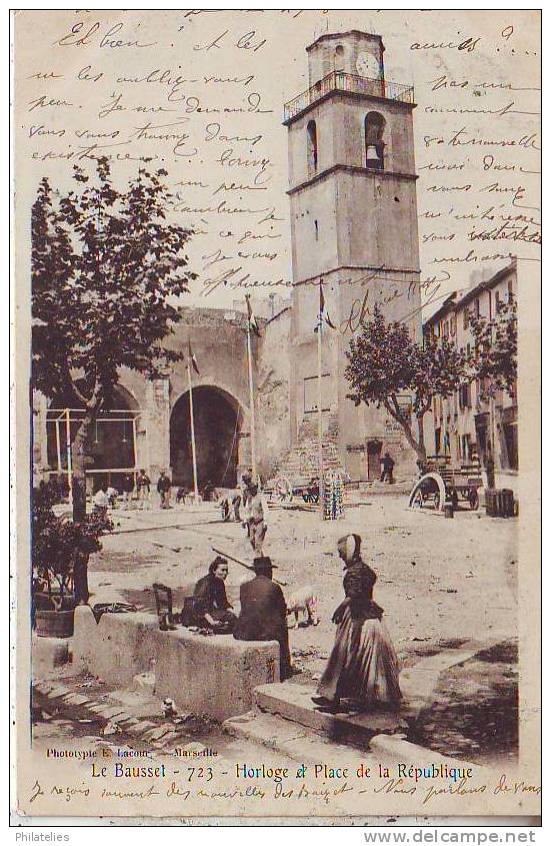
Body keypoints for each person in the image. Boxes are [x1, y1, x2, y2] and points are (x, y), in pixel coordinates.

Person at [312, 534, 401, 713]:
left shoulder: (354, 572)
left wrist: (339, 608)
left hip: (357, 619)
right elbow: (371, 579)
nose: (339, 555)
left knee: (344, 656)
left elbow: (353, 595)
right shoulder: (364, 569)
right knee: (367, 662)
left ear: (349, 551)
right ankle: (359, 697)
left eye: (341, 552)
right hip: (371, 618)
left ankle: (336, 697)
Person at [233, 557, 292, 681]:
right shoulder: (274, 587)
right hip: (265, 634)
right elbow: (282, 610)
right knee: (283, 625)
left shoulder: (244, 587)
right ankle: (285, 668)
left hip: (244, 632)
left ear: (256, 571)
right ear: (269, 571)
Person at [191, 557, 236, 632]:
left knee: (233, 619)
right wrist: (212, 622)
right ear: (214, 570)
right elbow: (199, 606)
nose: (225, 573)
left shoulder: (219, 582)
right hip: (200, 616)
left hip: (210, 613)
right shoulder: (205, 583)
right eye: (222, 570)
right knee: (229, 620)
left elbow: (223, 602)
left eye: (226, 570)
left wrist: (234, 613)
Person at [246, 483, 269, 554]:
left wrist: (265, 522)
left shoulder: (261, 497)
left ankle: (258, 560)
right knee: (251, 540)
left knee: (258, 543)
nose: (252, 491)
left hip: (260, 522)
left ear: (255, 489)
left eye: (253, 489)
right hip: (252, 522)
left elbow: (266, 510)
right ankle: (260, 556)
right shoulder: (249, 499)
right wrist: (245, 520)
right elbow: (247, 510)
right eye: (250, 490)